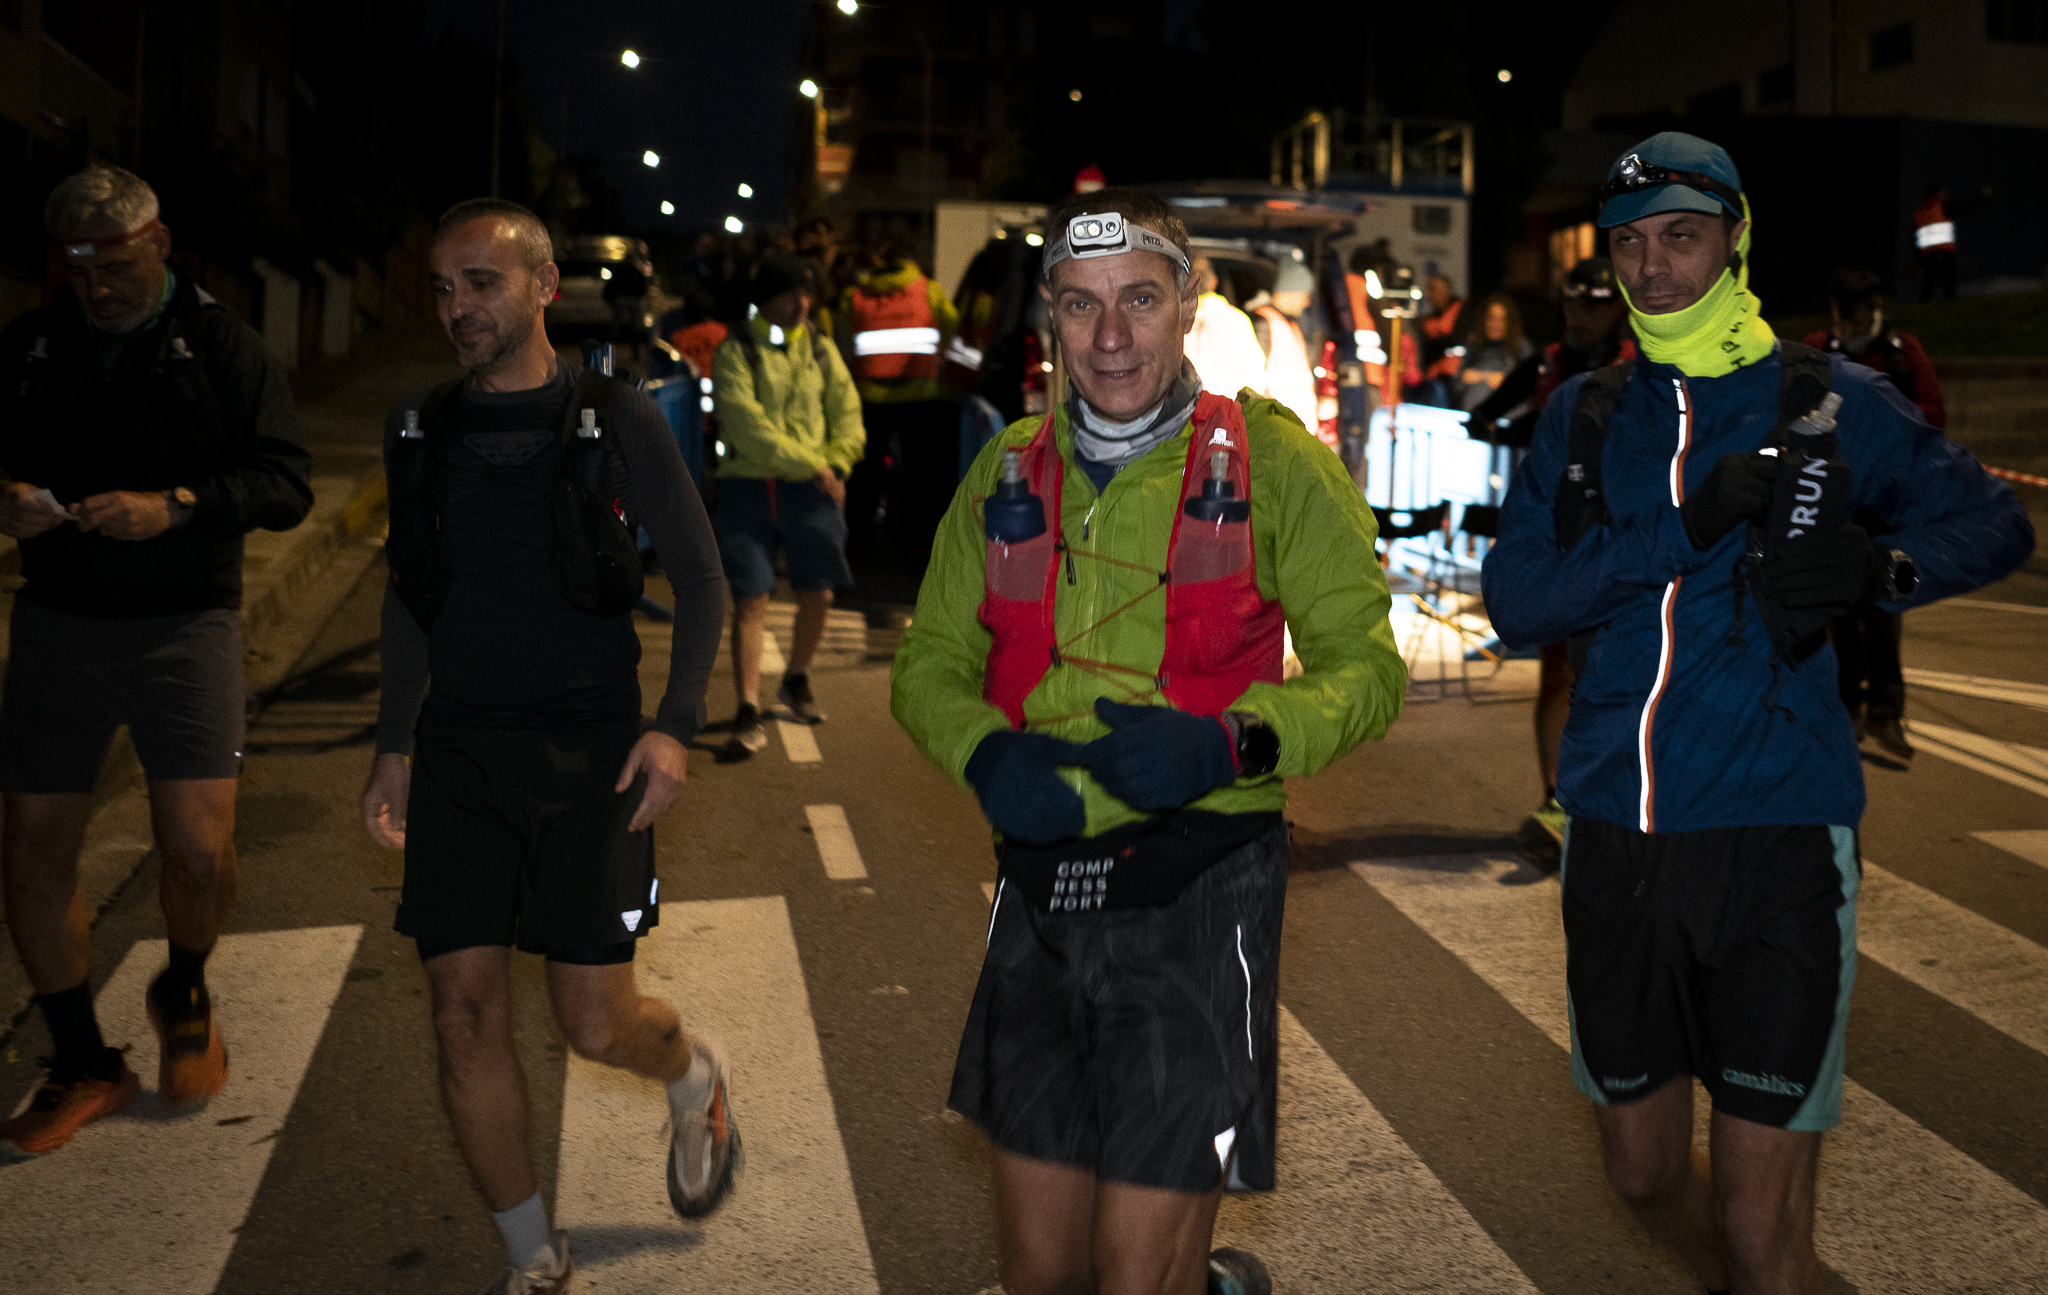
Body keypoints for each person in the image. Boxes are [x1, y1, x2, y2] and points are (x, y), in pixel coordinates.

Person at [1484, 132, 2032, 1295]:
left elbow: (1995, 522)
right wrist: (1681, 525)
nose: (1651, 268)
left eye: (1679, 237)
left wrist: (1878, 567)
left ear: (1734, 240)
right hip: (1614, 837)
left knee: (1755, 1220)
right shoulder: (1583, 414)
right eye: (1628, 244)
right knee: (1639, 1171)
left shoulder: (1829, 398)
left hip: (1775, 838)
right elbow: (1519, 603)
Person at [891, 186, 1405, 1295]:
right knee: (1040, 1275)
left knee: (1132, 1275)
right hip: (1042, 882)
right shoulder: (1004, 468)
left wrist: (1232, 743)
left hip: (1201, 880)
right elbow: (926, 662)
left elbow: (1369, 671)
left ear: (1188, 304)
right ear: (1051, 318)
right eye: (1081, 305)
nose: (1110, 335)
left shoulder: (1274, 462)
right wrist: (984, 752)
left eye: (1138, 299)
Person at [357, 199, 735, 1295]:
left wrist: (673, 726)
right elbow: (408, 595)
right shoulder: (419, 427)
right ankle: (534, 1254)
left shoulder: (615, 416)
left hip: (590, 753)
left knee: (595, 1025)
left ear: (542, 287)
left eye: (481, 282)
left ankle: (692, 1075)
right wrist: (394, 744)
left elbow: (701, 577)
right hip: (461, 752)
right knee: (461, 1013)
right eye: (443, 288)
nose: (458, 307)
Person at [0, 167, 312, 1159]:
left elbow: (285, 482)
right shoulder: (32, 345)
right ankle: (83, 1057)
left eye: (116, 267)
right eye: (78, 270)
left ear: (160, 244)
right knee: (32, 843)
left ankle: (183, 984)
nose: (96, 288)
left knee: (197, 849)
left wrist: (174, 506)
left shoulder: (223, 346)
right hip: (56, 624)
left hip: (186, 625)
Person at [1470, 256, 1635, 868]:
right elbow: (1496, 419)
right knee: (1557, 674)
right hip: (1561, 539)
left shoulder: (1641, 361)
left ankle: (1613, 802)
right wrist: (1509, 431)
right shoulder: (1550, 363)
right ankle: (1557, 801)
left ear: (1618, 306)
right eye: (1573, 302)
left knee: (1624, 671)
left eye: (1596, 303)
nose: (1581, 314)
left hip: (1623, 540)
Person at [711, 252, 865, 754]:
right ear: (765, 299)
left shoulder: (819, 348)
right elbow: (746, 426)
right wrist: (815, 466)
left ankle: (796, 677)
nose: (801, 304)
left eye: (807, 294)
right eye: (789, 295)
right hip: (750, 488)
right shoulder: (736, 349)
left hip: (813, 491)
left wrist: (838, 464)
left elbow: (847, 414)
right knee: (752, 597)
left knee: (819, 594)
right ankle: (747, 707)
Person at [1803, 268, 1947, 761]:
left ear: (1875, 307)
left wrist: (1883, 418)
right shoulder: (1817, 348)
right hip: (1835, 496)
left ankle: (1885, 711)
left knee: (1886, 604)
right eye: (1841, 313)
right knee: (1841, 608)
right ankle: (1847, 708)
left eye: (1858, 314)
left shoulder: (1902, 351)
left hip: (1888, 498)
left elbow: (1934, 412)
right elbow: (1791, 407)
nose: (1849, 323)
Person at [837, 241, 961, 554]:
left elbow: (844, 331)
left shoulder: (857, 294)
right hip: (918, 393)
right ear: (912, 263)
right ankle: (919, 536)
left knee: (866, 469)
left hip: (870, 395)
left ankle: (859, 532)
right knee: (921, 469)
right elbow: (951, 322)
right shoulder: (928, 289)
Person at [1249, 251, 1321, 436]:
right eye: (1304, 294)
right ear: (1289, 292)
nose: (1307, 302)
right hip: (1277, 432)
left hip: (1295, 433)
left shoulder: (1289, 326)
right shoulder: (1263, 324)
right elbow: (1254, 381)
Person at [1184, 254, 1269, 400]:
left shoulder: (1172, 322)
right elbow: (1254, 375)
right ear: (1213, 282)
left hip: (1187, 411)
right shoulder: (1236, 320)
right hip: (1225, 409)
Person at [1455, 293, 1533, 412]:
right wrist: (1468, 377)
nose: (1496, 324)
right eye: (1491, 318)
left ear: (1510, 322)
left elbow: (1530, 386)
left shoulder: (1521, 346)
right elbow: (1458, 382)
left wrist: (1504, 382)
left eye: (1501, 319)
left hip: (1507, 415)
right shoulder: (1474, 343)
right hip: (1472, 413)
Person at [1417, 273, 1464, 404]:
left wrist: (1436, 339)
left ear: (1448, 290)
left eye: (1437, 290)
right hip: (1431, 375)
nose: (1432, 294)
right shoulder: (1426, 319)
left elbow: (1456, 340)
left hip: (1454, 374)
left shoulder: (1461, 310)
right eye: (1430, 290)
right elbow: (1424, 346)